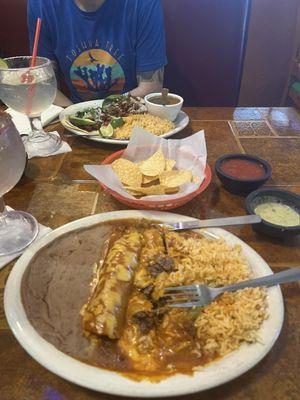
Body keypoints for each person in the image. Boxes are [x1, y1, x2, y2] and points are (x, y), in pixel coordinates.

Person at [27, 0, 167, 107]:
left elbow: (150, 88)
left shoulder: (143, 4)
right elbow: (43, 86)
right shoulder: (41, 4)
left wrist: (94, 116)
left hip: (132, 114)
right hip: (72, 114)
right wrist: (75, 119)